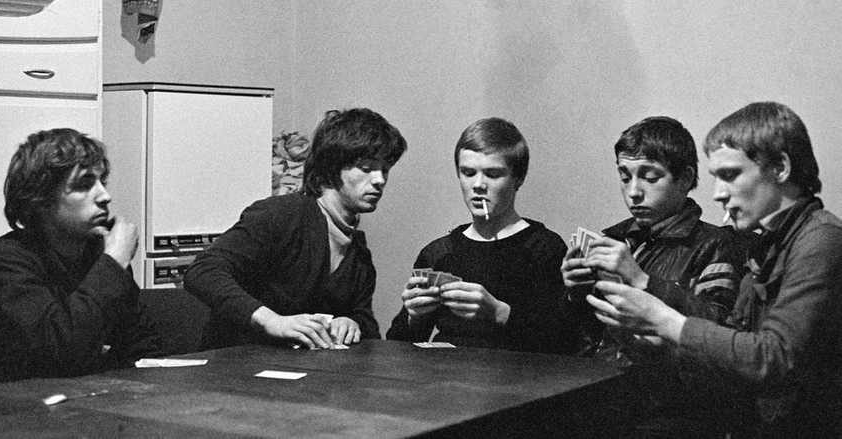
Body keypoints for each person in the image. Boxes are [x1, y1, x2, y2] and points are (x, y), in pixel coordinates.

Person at [588, 102, 842, 439]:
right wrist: (657, 347)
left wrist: (664, 319)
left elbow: (773, 357)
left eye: (730, 175)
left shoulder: (821, 238)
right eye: (716, 179)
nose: (719, 194)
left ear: (780, 168)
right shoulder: (769, 245)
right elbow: (735, 353)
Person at [562, 115, 741, 439]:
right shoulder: (614, 239)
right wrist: (576, 294)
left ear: (685, 178)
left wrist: (643, 280)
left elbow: (717, 331)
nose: (633, 191)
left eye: (650, 177)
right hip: (602, 404)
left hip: (672, 415)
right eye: (624, 176)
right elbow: (587, 336)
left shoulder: (713, 244)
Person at [184, 107, 406, 350]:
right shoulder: (280, 215)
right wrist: (272, 321)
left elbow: (366, 322)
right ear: (333, 167)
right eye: (366, 168)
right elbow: (203, 271)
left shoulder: (359, 254)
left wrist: (352, 323)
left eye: (385, 169)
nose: (380, 180)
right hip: (238, 362)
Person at [386, 117, 577, 353]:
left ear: (518, 178)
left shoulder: (544, 248)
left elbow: (565, 342)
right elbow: (397, 347)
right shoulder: (439, 253)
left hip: (519, 374)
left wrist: (498, 312)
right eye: (468, 172)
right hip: (444, 371)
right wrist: (414, 316)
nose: (478, 185)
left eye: (493, 174)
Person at [0, 128, 162, 384]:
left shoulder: (97, 251)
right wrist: (114, 262)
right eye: (83, 185)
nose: (105, 196)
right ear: (41, 200)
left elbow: (142, 343)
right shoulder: (9, 260)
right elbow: (61, 353)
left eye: (102, 182)